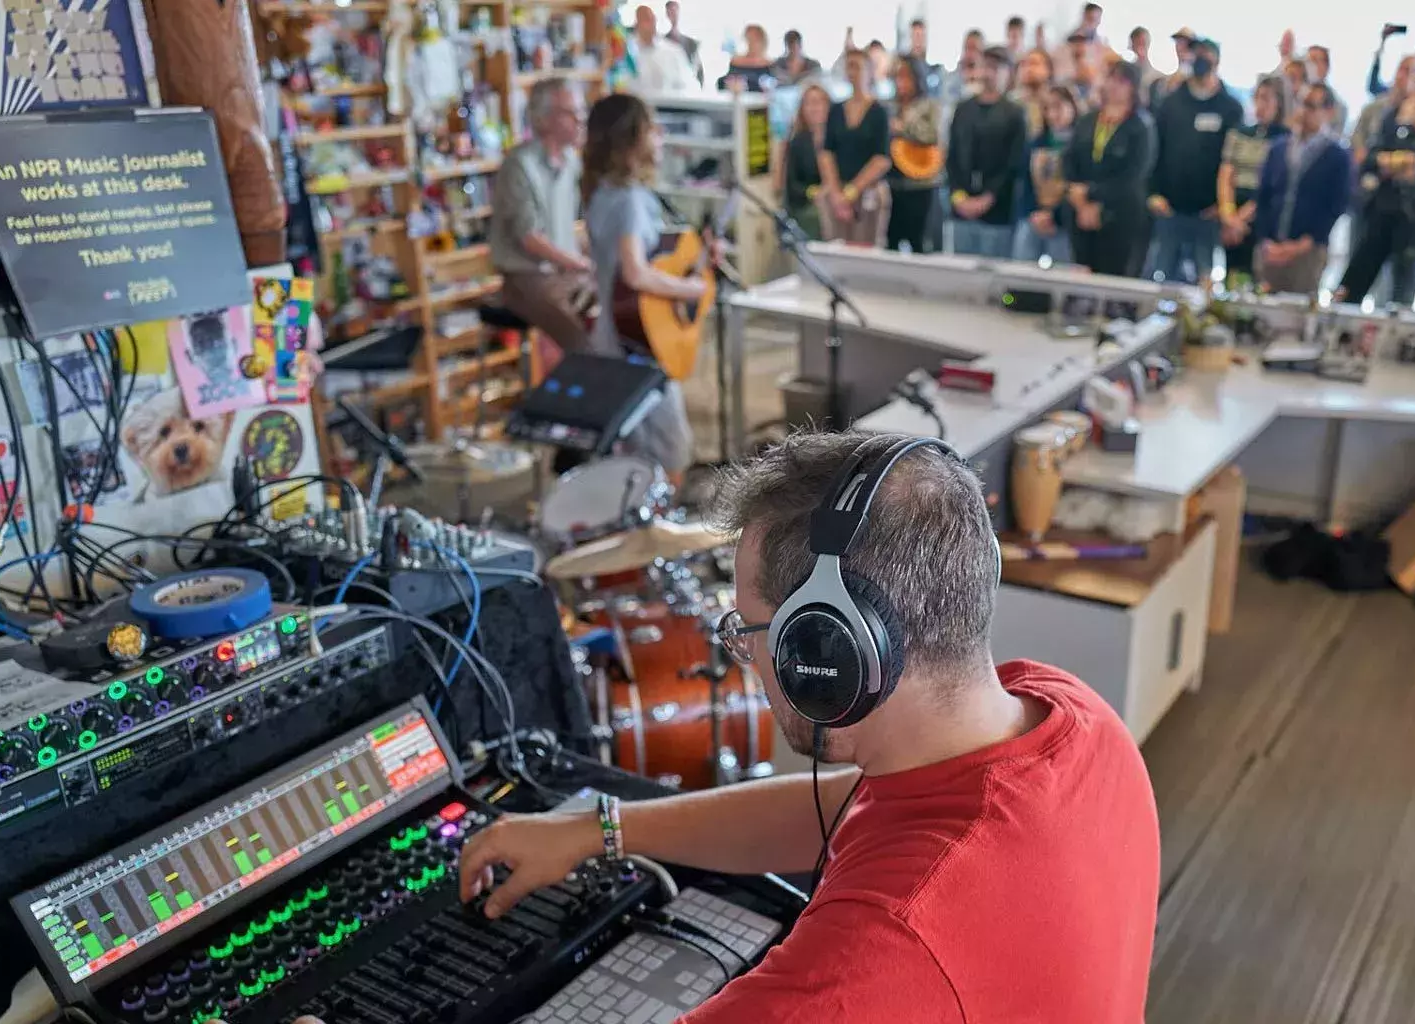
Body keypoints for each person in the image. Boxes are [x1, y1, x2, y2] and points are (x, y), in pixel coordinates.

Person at [454, 431, 1160, 1022]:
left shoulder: (873, 959)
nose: (746, 657)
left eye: (749, 630)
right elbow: (838, 813)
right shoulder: (1070, 714)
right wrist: (602, 830)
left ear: (826, 652)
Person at [578, 93, 700, 483]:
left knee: (633, 451)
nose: (660, 137)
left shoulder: (601, 193)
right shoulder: (631, 199)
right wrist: (688, 290)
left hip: (613, 339)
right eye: (652, 129)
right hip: (639, 348)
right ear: (633, 140)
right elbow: (635, 273)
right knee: (672, 451)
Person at [488, 79, 593, 357]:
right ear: (544, 119)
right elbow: (530, 239)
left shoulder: (572, 161)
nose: (580, 119)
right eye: (570, 112)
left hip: (564, 272)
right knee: (582, 338)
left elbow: (573, 226)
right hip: (527, 276)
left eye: (582, 111)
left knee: (610, 317)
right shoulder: (520, 165)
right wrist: (579, 263)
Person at [1335, 56, 1415, 306]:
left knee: (1401, 294)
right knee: (1351, 285)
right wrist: (1395, 161)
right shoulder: (1389, 114)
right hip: (1378, 210)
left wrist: (1392, 161)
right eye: (1410, 72)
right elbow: (1368, 158)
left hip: (1413, 217)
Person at [1144, 37, 1242, 284]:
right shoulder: (1171, 102)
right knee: (1162, 277)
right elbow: (1156, 150)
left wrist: (1225, 204)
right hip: (1170, 209)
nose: (1200, 60)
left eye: (1206, 55)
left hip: (1208, 213)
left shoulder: (1230, 107)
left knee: (1204, 279)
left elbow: (1233, 163)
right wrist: (1153, 192)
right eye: (1196, 54)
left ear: (1216, 61)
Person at [1251, 81, 1351, 294]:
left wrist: (1299, 246)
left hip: (1308, 252)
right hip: (1271, 248)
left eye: (1312, 106)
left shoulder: (1337, 156)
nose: (1304, 112)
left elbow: (1336, 206)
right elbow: (1263, 197)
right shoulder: (1279, 148)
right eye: (1301, 104)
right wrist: (1266, 241)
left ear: (1328, 112)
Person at [1066, 60, 1154, 276]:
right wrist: (1080, 199)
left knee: (1113, 283)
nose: (1114, 85)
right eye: (1110, 78)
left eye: (1121, 81)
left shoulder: (1141, 126)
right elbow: (1070, 159)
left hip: (1121, 215)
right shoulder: (1088, 120)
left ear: (1133, 87)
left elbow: (1133, 174)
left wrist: (1093, 195)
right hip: (1081, 211)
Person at [947, 47, 1028, 257]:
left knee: (996, 282)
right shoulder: (963, 109)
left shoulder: (1015, 114)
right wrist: (958, 195)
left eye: (995, 67)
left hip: (997, 212)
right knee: (961, 276)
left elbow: (1013, 163)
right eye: (985, 66)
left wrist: (988, 198)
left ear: (1007, 72)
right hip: (961, 207)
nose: (989, 73)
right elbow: (952, 156)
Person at [1220, 75, 1293, 283]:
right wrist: (1229, 215)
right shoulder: (1240, 132)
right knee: (1232, 276)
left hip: (1261, 215)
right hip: (1234, 209)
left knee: (1255, 278)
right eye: (1257, 98)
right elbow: (1226, 173)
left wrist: (1242, 218)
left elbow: (1273, 185)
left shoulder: (1285, 140)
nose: (1260, 105)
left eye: (1266, 99)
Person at [817, 48, 892, 247]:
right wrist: (836, 193)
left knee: (865, 249)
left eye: (856, 67)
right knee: (836, 248)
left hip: (868, 191)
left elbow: (881, 159)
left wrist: (852, 191)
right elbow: (826, 152)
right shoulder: (836, 110)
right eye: (848, 67)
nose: (852, 72)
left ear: (869, 70)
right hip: (837, 189)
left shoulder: (879, 112)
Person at [1014, 85, 1083, 264]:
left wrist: (1055, 216)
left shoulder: (1082, 143)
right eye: (1047, 108)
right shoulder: (1036, 142)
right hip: (1033, 215)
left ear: (1072, 106)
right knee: (1020, 269)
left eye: (1058, 107)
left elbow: (1078, 185)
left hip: (1065, 220)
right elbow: (1024, 182)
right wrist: (1032, 212)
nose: (1053, 114)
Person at [884, 56, 943, 254]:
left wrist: (904, 126)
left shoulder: (929, 106)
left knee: (920, 242)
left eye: (906, 76)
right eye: (897, 77)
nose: (901, 82)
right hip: (893, 183)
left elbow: (933, 135)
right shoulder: (889, 107)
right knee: (891, 241)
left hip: (920, 183)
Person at [777, 82, 831, 239]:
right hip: (806, 204)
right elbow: (792, 186)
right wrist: (813, 192)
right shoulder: (797, 143)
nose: (814, 108)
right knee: (816, 216)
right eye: (809, 103)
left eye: (819, 102)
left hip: (835, 199)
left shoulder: (838, 139)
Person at [626, 6, 696, 93]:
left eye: (653, 19)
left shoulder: (672, 51)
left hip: (669, 104)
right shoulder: (628, 53)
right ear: (637, 24)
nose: (651, 24)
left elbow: (686, 84)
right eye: (646, 20)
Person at [1055, 2, 1110, 84]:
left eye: (1096, 20)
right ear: (1083, 17)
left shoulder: (1102, 47)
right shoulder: (1067, 43)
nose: (1092, 23)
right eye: (1090, 19)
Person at [718, 24, 776, 92]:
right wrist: (729, 84)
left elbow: (771, 85)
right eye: (749, 39)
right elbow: (722, 82)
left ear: (762, 41)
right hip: (736, 98)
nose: (751, 43)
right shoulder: (736, 61)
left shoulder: (770, 64)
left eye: (755, 39)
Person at [1303, 45, 1347, 131]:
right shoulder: (1292, 95)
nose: (1309, 66)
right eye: (1307, 62)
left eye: (1314, 61)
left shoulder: (1338, 107)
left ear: (1326, 67)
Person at [1013, 48, 1053, 138]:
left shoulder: (1057, 101)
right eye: (1023, 65)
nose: (1028, 69)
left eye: (1034, 63)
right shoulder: (1010, 104)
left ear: (1048, 69)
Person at [1151, 28, 1195, 108]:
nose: (1180, 47)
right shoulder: (1174, 74)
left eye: (1185, 43)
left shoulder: (1192, 70)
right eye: (1178, 42)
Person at [662, 0, 702, 84]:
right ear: (667, 14)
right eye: (670, 11)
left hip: (688, 83)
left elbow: (698, 69)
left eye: (675, 11)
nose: (673, 14)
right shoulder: (662, 41)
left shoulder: (691, 42)